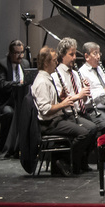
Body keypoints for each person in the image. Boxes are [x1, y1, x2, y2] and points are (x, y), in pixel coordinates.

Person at [30, 43, 94, 176]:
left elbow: (50, 102)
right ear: (47, 63)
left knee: (89, 129)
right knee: (83, 133)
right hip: (49, 124)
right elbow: (45, 110)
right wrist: (64, 104)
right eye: (54, 61)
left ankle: (72, 163)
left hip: (56, 119)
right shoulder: (42, 82)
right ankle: (64, 161)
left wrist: (60, 98)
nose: (56, 63)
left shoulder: (46, 78)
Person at [55, 38, 105, 139]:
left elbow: (85, 101)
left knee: (103, 125)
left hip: (82, 112)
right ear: (62, 55)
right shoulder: (56, 75)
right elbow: (61, 101)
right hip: (68, 115)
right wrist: (79, 95)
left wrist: (85, 90)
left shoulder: (75, 74)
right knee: (99, 127)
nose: (74, 58)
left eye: (75, 54)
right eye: (71, 54)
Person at [0, 39, 29, 157]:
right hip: (4, 103)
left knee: (30, 111)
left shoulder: (25, 64)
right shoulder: (1, 64)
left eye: (22, 53)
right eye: (17, 53)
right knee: (9, 112)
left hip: (20, 100)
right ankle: (3, 146)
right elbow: (0, 84)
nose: (20, 56)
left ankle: (22, 147)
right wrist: (17, 83)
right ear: (10, 53)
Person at [78, 42, 105, 118]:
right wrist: (104, 91)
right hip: (95, 109)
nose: (98, 57)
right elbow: (87, 98)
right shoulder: (82, 72)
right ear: (87, 56)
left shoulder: (100, 68)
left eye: (99, 53)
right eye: (95, 53)